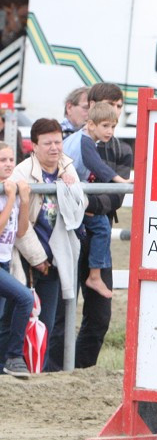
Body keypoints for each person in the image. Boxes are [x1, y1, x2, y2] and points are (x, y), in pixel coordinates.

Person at [5, 118, 86, 372]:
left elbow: (80, 206)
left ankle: (37, 367)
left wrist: (69, 187)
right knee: (14, 314)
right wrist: (37, 258)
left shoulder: (68, 168)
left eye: (58, 141)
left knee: (48, 319)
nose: (54, 148)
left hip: (56, 255)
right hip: (27, 256)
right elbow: (20, 223)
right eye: (48, 143)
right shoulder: (21, 172)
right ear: (35, 146)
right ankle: (9, 363)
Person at [66, 82, 132, 368]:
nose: (115, 114)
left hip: (96, 227)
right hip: (69, 230)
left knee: (99, 315)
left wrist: (88, 206)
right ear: (92, 107)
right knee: (61, 308)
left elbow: (116, 197)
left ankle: (83, 368)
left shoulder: (122, 149)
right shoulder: (75, 139)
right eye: (110, 106)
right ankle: (54, 370)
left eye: (119, 107)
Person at [62, 101, 131, 299]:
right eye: (105, 126)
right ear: (91, 124)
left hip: (71, 194)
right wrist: (121, 180)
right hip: (71, 196)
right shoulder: (85, 141)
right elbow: (97, 166)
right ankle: (94, 274)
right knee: (102, 227)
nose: (110, 131)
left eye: (113, 126)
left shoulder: (79, 138)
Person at [0, 143, 33, 378]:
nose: (9, 164)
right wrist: (11, 198)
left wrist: (24, 200)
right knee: (24, 298)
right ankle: (13, 356)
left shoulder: (10, 190)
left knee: (4, 318)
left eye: (11, 159)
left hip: (4, 262)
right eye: (3, 160)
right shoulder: (4, 193)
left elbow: (20, 232)